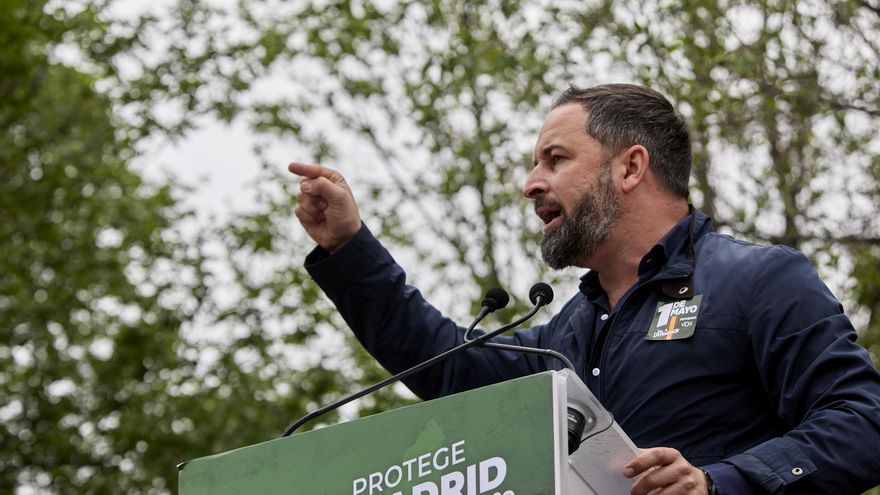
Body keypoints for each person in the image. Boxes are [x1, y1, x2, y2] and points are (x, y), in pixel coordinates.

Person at [289, 84, 880, 494]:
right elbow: (446, 366)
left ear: (629, 168)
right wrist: (349, 247)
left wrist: (716, 482)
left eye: (555, 158)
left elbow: (863, 421)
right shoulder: (566, 331)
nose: (529, 183)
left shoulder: (759, 280)